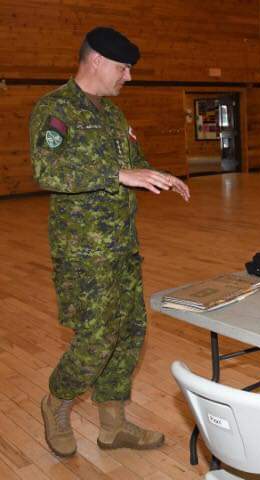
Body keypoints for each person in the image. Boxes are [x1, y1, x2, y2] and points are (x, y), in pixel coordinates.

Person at [30, 27, 190, 457]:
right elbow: (48, 171)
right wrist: (117, 175)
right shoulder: (56, 109)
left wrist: (159, 174)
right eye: (124, 68)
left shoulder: (113, 115)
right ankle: (56, 403)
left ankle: (112, 425)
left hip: (121, 246)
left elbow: (132, 164)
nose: (129, 77)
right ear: (96, 60)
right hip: (83, 251)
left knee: (130, 333)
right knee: (97, 337)